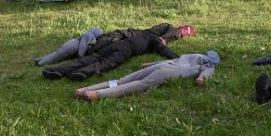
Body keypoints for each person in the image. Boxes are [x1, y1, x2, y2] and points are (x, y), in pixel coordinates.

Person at [75, 51, 220, 101]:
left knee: (123, 80)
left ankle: (85, 89)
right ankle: (97, 94)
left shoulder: (192, 55)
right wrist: (201, 78)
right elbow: (207, 71)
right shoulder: (209, 63)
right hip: (173, 72)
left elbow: (171, 60)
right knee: (141, 84)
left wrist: (151, 64)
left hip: (165, 66)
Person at [35, 23, 194, 66]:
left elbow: (164, 30)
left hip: (123, 39)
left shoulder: (95, 36)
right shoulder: (91, 37)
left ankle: (42, 61)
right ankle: (41, 61)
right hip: (121, 39)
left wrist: (166, 39)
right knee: (60, 54)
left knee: (61, 53)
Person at [42, 31, 178, 81]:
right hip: (126, 51)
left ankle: (56, 70)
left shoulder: (145, 34)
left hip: (115, 45)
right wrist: (177, 57)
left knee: (91, 58)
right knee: (105, 63)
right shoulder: (155, 40)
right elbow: (163, 50)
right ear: (162, 39)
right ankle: (81, 73)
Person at [35, 27, 104, 67]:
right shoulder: (89, 35)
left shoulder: (89, 34)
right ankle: (41, 64)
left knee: (56, 53)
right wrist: (80, 56)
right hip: (72, 46)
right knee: (57, 55)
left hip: (71, 44)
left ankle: (38, 60)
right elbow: (83, 46)